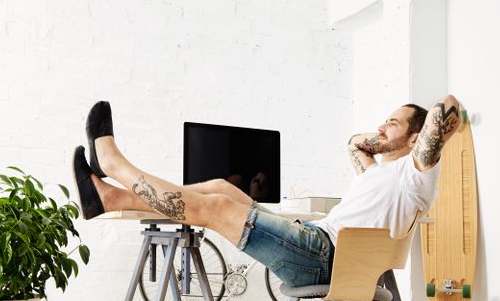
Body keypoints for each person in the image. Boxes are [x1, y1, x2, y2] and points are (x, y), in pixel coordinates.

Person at [72, 96, 460, 287]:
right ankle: (111, 198)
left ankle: (115, 167)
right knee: (223, 186)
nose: (380, 128)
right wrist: (382, 137)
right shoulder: (378, 171)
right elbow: (353, 144)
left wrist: (406, 137)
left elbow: (447, 106)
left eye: (392, 124)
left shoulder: (417, 173)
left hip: (330, 258)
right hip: (317, 241)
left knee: (220, 205)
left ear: (416, 139)